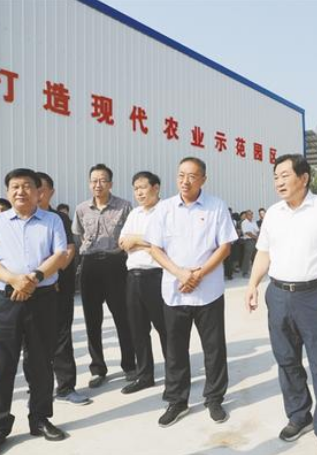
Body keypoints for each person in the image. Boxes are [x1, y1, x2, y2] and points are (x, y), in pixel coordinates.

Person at [245, 154, 317, 455]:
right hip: (278, 294)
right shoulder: (274, 214)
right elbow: (264, 252)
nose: (278, 182)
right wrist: (253, 284)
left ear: (303, 178)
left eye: (285, 175)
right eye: (275, 177)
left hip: (314, 295)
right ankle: (299, 415)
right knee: (286, 360)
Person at [0, 168, 69, 455]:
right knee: (1, 365)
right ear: (8, 192)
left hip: (42, 298)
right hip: (6, 300)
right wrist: (13, 280)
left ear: (38, 191)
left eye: (27, 186)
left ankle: (40, 419)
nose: (21, 191)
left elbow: (60, 255)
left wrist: (33, 278)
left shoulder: (52, 220)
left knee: (41, 362)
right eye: (15, 186)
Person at [146, 157, 237, 427]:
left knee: (214, 348)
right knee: (175, 349)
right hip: (174, 291)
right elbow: (155, 249)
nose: (185, 181)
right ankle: (177, 401)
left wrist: (198, 275)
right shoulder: (164, 208)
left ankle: (214, 398)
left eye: (192, 176)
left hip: (209, 291)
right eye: (181, 175)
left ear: (203, 179)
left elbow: (225, 247)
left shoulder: (216, 206)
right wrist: (181, 273)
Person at [22, 172, 90, 406]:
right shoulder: (20, 220)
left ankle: (66, 387)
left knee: (61, 336)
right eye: (34, 189)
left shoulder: (58, 218)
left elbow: (68, 250)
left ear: (51, 192)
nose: (37, 194)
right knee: (31, 340)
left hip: (59, 287)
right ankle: (36, 388)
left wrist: (54, 274)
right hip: (29, 289)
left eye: (42, 189)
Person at [72, 163, 136, 389]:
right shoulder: (81, 209)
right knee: (92, 320)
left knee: (123, 318)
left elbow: (131, 235)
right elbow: (79, 236)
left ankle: (130, 365)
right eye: (93, 180)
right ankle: (98, 369)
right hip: (90, 265)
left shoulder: (124, 206)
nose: (97, 184)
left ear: (110, 183)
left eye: (102, 180)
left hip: (116, 264)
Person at [118, 171, 167, 395]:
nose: (139, 192)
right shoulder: (134, 213)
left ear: (155, 188)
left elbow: (164, 242)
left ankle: (175, 374)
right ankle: (145, 375)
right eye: (135, 188)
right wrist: (145, 241)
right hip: (133, 277)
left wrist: (136, 239)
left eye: (143, 187)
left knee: (165, 328)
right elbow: (122, 242)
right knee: (138, 329)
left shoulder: (166, 211)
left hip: (157, 276)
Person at [240, 210, 259, 277]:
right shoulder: (244, 223)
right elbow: (247, 233)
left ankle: (255, 271)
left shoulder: (254, 222)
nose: (251, 215)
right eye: (249, 214)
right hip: (249, 241)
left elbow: (257, 230)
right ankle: (245, 272)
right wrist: (256, 237)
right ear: (246, 215)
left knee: (255, 256)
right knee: (247, 257)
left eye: (251, 214)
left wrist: (258, 237)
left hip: (255, 240)